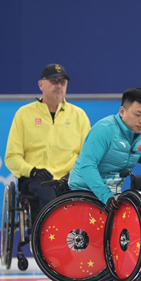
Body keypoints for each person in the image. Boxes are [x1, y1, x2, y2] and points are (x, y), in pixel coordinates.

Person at [4, 63, 91, 218]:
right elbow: (12, 157)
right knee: (47, 193)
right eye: (54, 81)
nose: (59, 85)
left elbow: (87, 155)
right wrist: (33, 171)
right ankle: (53, 232)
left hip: (69, 177)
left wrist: (73, 174)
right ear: (41, 85)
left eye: (62, 82)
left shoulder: (79, 115)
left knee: (87, 191)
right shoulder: (24, 114)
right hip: (36, 178)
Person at [68, 87, 141, 209]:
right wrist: (106, 196)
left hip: (112, 196)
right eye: (138, 114)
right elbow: (87, 166)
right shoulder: (104, 130)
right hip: (83, 192)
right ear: (122, 111)